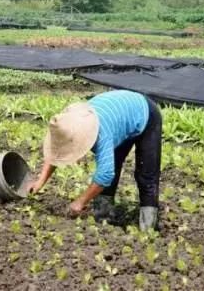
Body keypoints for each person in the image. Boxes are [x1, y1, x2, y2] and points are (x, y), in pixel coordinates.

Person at [28, 90, 162, 231]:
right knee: (113, 163)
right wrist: (40, 181)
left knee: (146, 175)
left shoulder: (100, 134)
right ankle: (104, 217)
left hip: (145, 113)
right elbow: (56, 151)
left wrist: (80, 202)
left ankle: (148, 228)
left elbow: (105, 175)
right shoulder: (64, 124)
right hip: (118, 117)